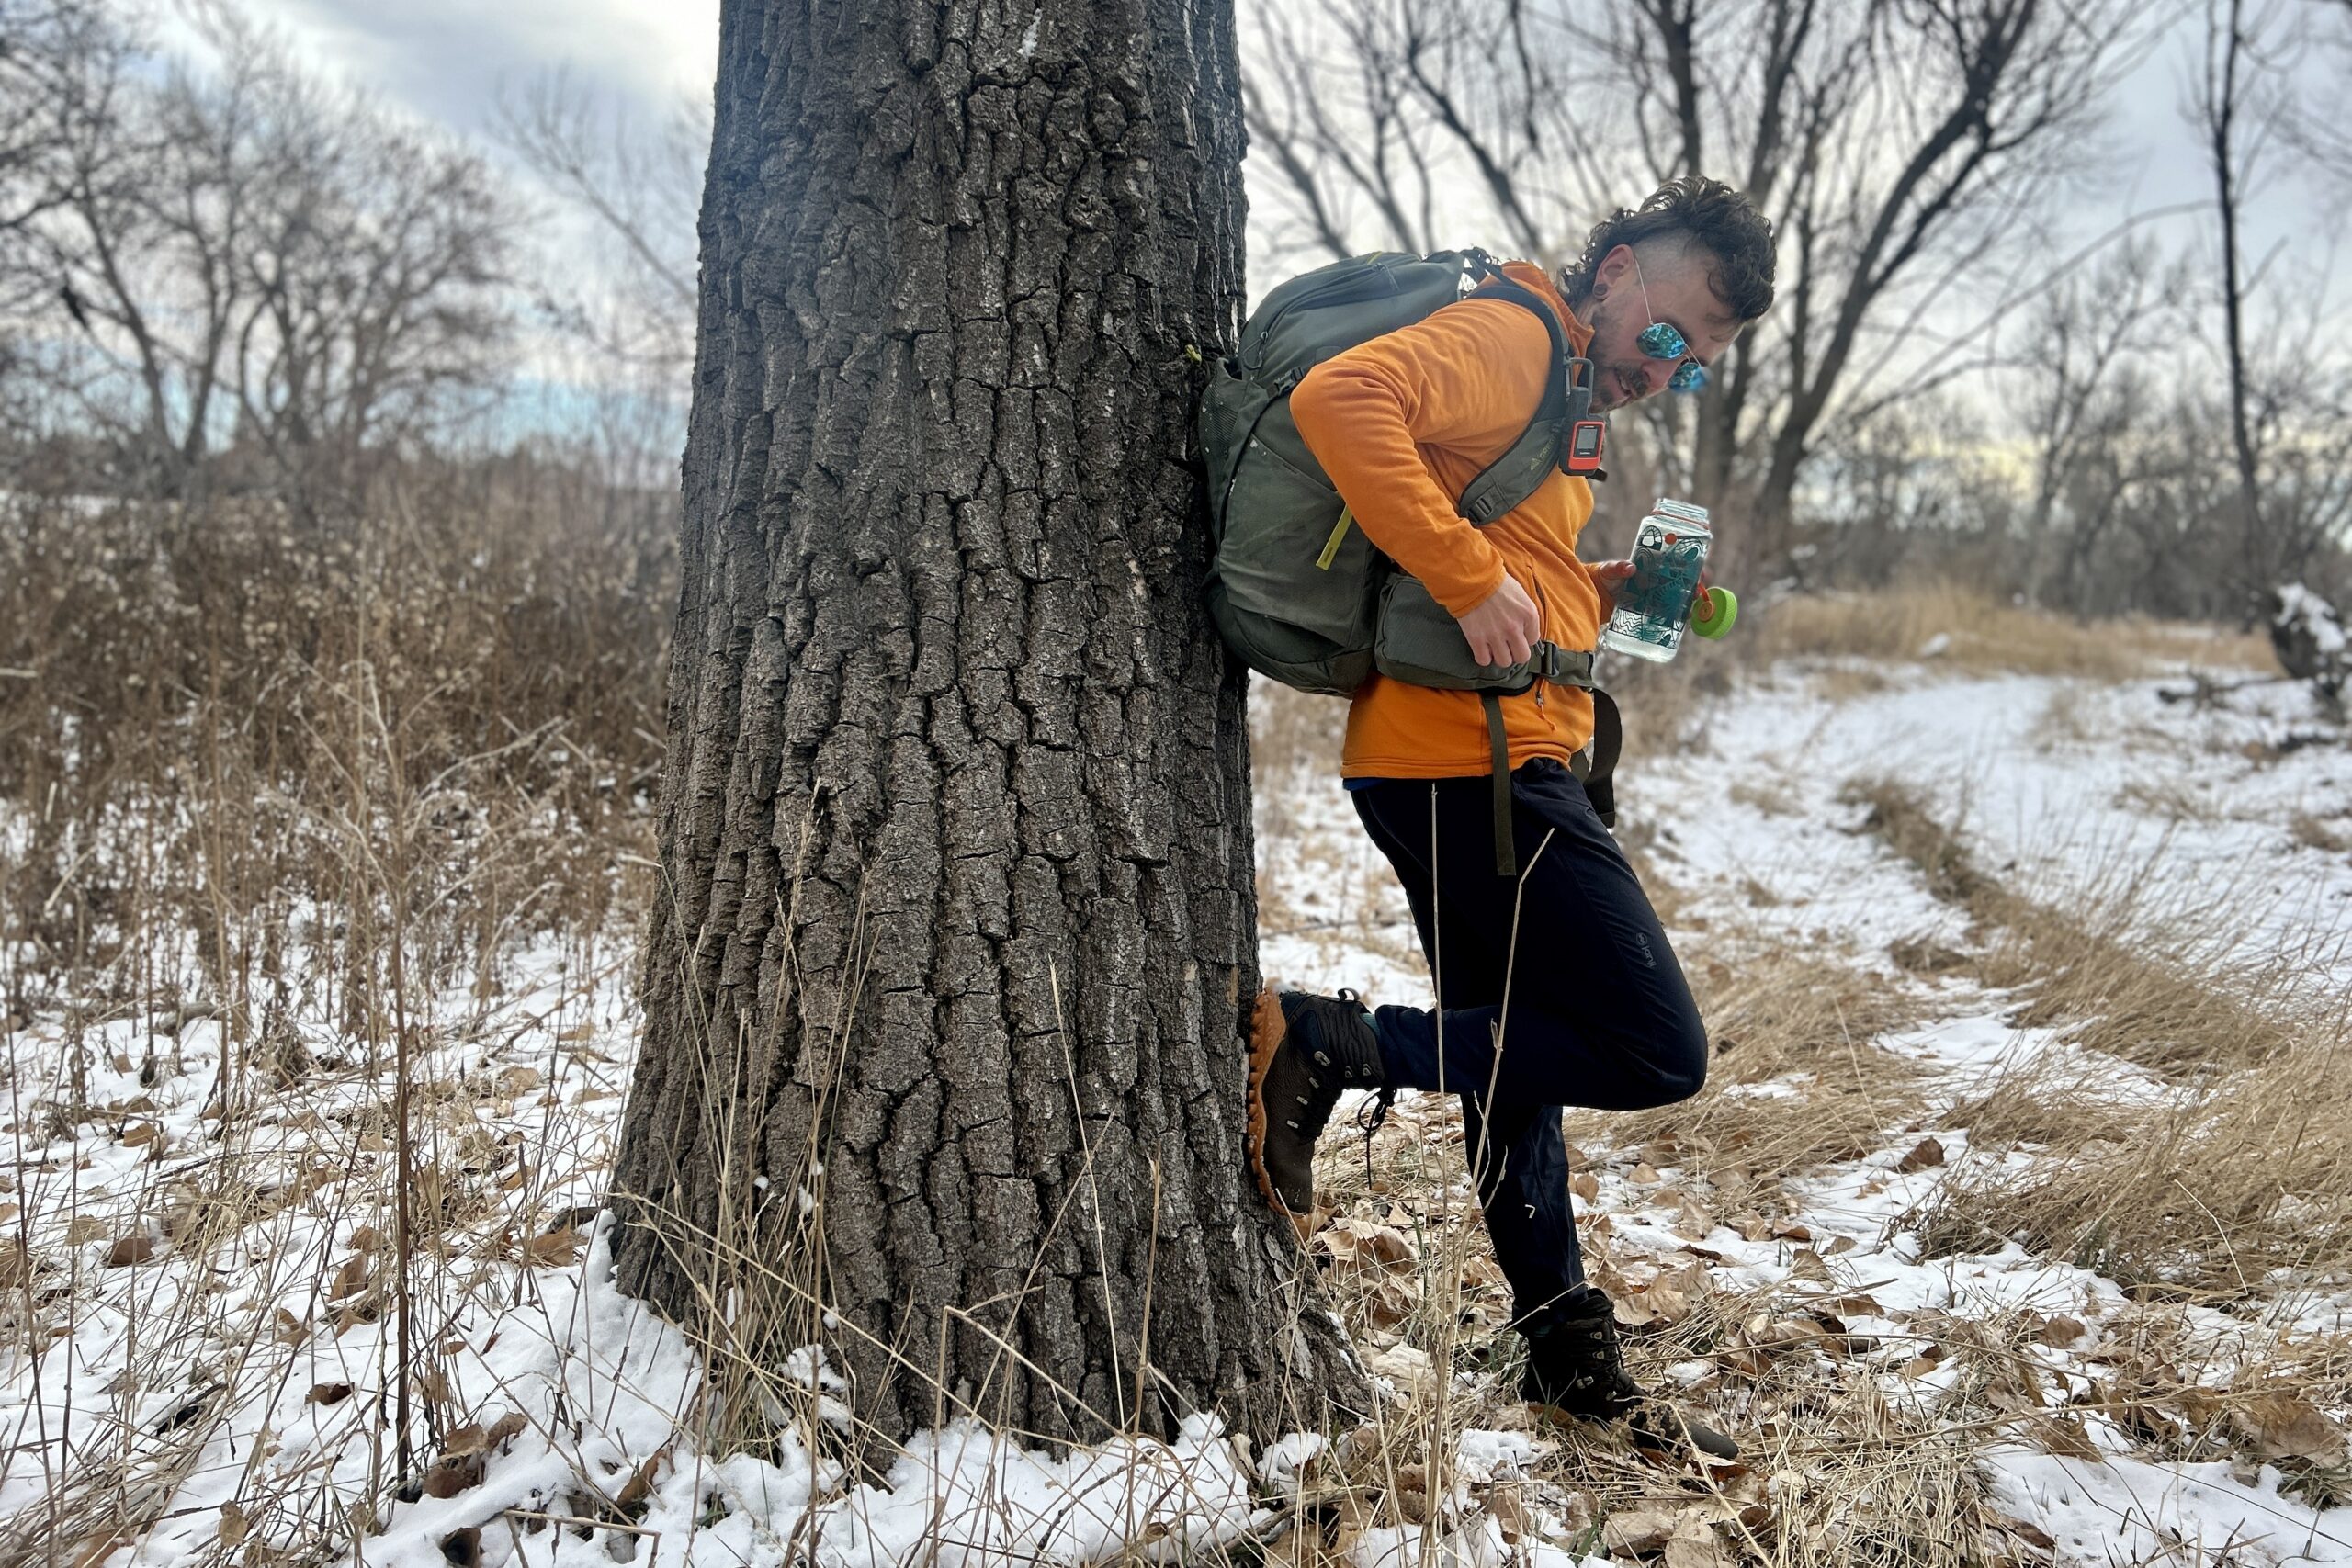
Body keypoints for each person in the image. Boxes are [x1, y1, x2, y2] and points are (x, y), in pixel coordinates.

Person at [1244, 176, 1777, 1459]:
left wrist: (1593, 584)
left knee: (1515, 1053)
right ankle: (1330, 1041)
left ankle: (1561, 1347)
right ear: (1616, 274)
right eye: (1669, 334)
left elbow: (1493, 541)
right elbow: (1342, 400)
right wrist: (1474, 575)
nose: (1673, 369)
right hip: (1471, 767)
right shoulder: (1516, 335)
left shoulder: (1564, 401)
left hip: (1464, 757)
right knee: (1655, 1047)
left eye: (1697, 365)